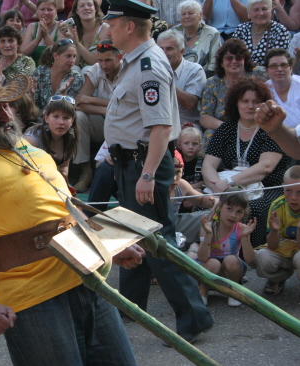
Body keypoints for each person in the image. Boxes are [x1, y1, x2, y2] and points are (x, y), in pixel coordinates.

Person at [0, 65, 141, 365]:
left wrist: (107, 244)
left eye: (6, 105)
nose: (5, 115)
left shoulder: (30, 149)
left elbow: (67, 208)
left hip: (89, 278)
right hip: (31, 299)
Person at [103, 0, 213, 343]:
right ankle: (131, 306)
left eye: (114, 22)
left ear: (129, 26)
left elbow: (162, 126)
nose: (109, 28)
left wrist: (148, 174)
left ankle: (194, 318)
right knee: (134, 236)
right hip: (130, 162)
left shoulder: (148, 64)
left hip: (144, 164)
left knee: (156, 241)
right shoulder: (137, 61)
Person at [202, 78, 287, 248]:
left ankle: (244, 255)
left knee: (250, 208)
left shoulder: (272, 129)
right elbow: (208, 165)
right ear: (236, 103)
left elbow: (265, 167)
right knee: (207, 202)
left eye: (256, 102)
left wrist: (229, 184)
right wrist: (217, 187)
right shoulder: (226, 129)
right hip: (226, 186)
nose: (250, 106)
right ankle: (209, 250)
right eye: (245, 101)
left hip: (266, 186)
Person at [73, 40, 121, 193]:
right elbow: (80, 103)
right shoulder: (96, 70)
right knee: (78, 116)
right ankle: (85, 172)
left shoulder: (129, 70)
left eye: (108, 60)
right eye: (100, 60)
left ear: (119, 57)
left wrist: (93, 100)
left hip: (123, 124)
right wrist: (104, 110)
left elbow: (125, 107)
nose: (104, 65)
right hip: (104, 119)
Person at [200, 38, 266, 150]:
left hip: (256, 124)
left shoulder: (259, 74)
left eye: (238, 57)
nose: (234, 61)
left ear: (245, 60)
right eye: (229, 58)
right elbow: (205, 117)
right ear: (221, 62)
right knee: (209, 134)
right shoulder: (212, 83)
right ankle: (210, 166)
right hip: (224, 127)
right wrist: (230, 128)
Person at [196, 188, 256, 306]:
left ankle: (233, 291)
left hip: (231, 271)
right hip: (208, 268)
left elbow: (250, 260)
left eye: (239, 211)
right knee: (213, 263)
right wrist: (208, 235)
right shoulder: (208, 227)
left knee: (231, 260)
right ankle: (203, 291)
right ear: (219, 207)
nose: (233, 215)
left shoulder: (241, 228)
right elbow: (202, 258)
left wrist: (245, 237)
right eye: (229, 209)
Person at [254, 165, 300, 295]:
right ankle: (278, 279)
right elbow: (272, 245)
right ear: (282, 187)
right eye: (289, 191)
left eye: (299, 192)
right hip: (284, 248)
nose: (294, 197)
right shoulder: (277, 205)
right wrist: (274, 231)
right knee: (262, 257)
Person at [157, 30, 206, 128]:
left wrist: (164, 79)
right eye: (161, 49)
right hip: (159, 125)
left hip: (186, 126)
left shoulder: (195, 70)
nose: (164, 53)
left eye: (169, 49)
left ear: (181, 51)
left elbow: (190, 104)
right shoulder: (152, 70)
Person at [24, 95, 78, 175]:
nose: (61, 122)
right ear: (46, 118)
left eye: (66, 118)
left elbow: (63, 167)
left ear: (72, 120)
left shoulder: (70, 137)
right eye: (56, 116)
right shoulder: (31, 140)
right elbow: (21, 169)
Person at [232, 0, 290, 66]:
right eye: (256, 10)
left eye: (264, 9)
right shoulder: (241, 29)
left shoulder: (280, 31)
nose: (261, 13)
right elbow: (233, 55)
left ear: (271, 11)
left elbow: (278, 61)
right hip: (242, 73)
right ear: (249, 13)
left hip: (268, 74)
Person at [171, 0, 221, 77]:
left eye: (191, 13)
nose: (187, 16)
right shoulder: (174, 32)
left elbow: (214, 64)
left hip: (204, 77)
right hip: (177, 77)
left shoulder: (212, 33)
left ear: (200, 15)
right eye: (183, 14)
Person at [31, 39, 84, 111]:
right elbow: (31, 105)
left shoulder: (76, 77)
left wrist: (62, 93)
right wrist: (31, 94)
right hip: (37, 116)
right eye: (68, 56)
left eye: (74, 56)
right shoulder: (40, 72)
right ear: (55, 56)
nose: (72, 61)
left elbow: (70, 108)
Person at [60, 0, 109, 69]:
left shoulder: (104, 29)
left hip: (100, 71)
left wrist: (78, 44)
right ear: (77, 11)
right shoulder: (74, 29)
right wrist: (71, 39)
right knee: (73, 68)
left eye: (89, 5)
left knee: (87, 69)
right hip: (81, 73)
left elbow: (97, 62)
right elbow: (75, 62)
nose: (86, 8)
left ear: (96, 9)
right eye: (82, 6)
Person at [264, 48, 300, 128]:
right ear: (266, 70)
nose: (279, 69)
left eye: (284, 65)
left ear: (291, 68)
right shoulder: (264, 90)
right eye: (273, 66)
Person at [21, 0, 62, 65]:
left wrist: (45, 36)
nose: (46, 13)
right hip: (33, 70)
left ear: (55, 11)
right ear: (37, 10)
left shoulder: (61, 27)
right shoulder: (32, 27)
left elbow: (59, 56)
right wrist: (38, 39)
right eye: (42, 9)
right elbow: (22, 54)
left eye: (50, 9)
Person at [177, 126, 204, 191]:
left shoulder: (203, 161)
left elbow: (204, 181)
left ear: (199, 146)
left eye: (194, 144)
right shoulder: (175, 160)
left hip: (195, 191)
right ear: (179, 145)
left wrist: (188, 189)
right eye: (186, 143)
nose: (190, 147)